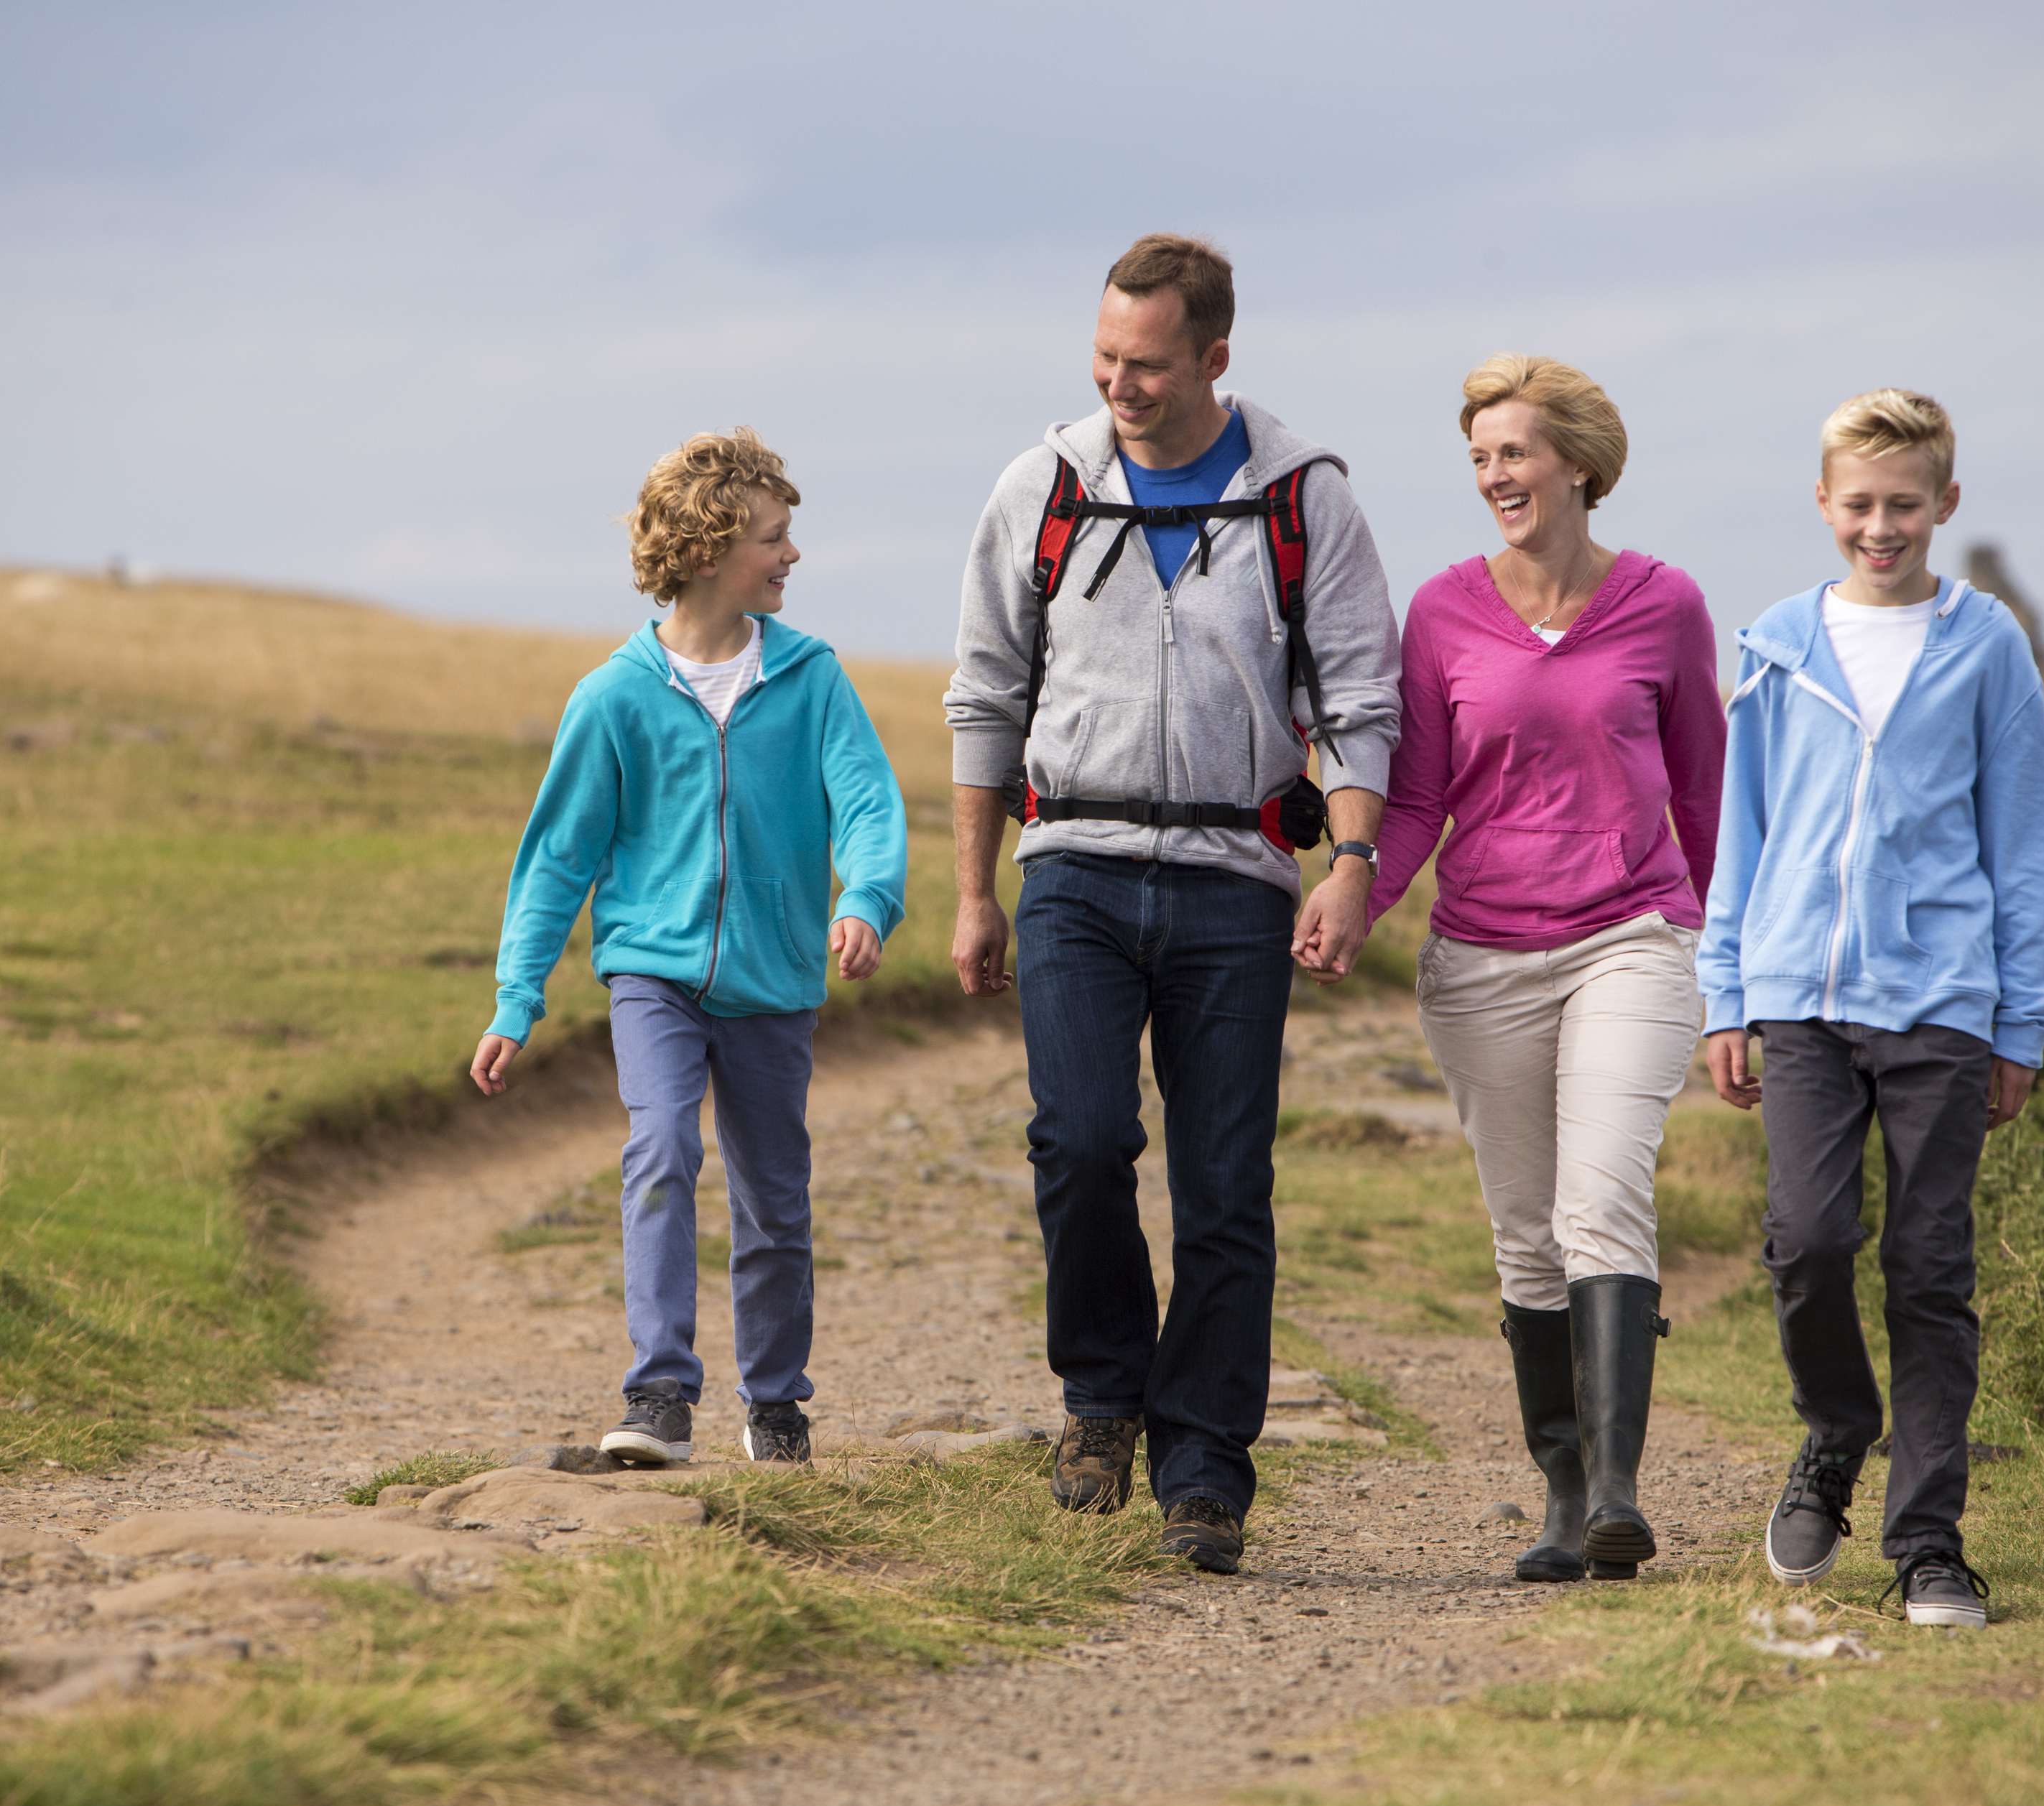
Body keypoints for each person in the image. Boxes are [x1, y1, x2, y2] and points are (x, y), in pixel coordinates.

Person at [945, 233, 1402, 1574]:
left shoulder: (1303, 496)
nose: (1119, 385)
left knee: (1222, 1187)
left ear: (1213, 357)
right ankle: (1100, 1400)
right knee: (1080, 1144)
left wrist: (1353, 865)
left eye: (1145, 364)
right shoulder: (1041, 485)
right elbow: (984, 694)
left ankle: (1203, 1466)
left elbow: (1363, 701)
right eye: (1102, 358)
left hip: (1234, 887)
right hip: (1071, 872)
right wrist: (972, 892)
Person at [472, 429, 909, 1468]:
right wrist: (513, 998)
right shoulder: (613, 696)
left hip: (772, 984)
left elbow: (867, 803)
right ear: (711, 551)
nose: (791, 554)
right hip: (652, 977)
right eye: (774, 536)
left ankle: (775, 1405)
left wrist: (869, 897)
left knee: (774, 1201)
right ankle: (659, 1395)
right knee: (660, 1152)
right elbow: (555, 860)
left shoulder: (810, 679)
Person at [1701, 389, 2044, 1629]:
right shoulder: (1776, 645)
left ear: (1944, 505)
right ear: (1822, 503)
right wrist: (1723, 995)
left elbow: (2022, 847)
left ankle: (1928, 1544)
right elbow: (1737, 835)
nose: (1880, 525)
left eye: (1903, 504)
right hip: (1796, 995)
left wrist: (2020, 1026)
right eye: (1858, 503)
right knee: (1805, 1243)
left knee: (1926, 1267)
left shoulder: (1986, 647)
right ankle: (1835, 1429)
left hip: (1943, 1007)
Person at [1366, 353, 1724, 1584]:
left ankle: (1621, 1487)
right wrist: (1351, 900)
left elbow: (1702, 791)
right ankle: (1564, 1497)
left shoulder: (1665, 604)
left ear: (1577, 461)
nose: (1493, 477)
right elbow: (1416, 798)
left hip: (1630, 935)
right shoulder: (1442, 611)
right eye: (1477, 459)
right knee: (1526, 1238)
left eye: (1511, 453)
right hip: (1481, 959)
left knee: (1601, 1198)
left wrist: (1727, 962)